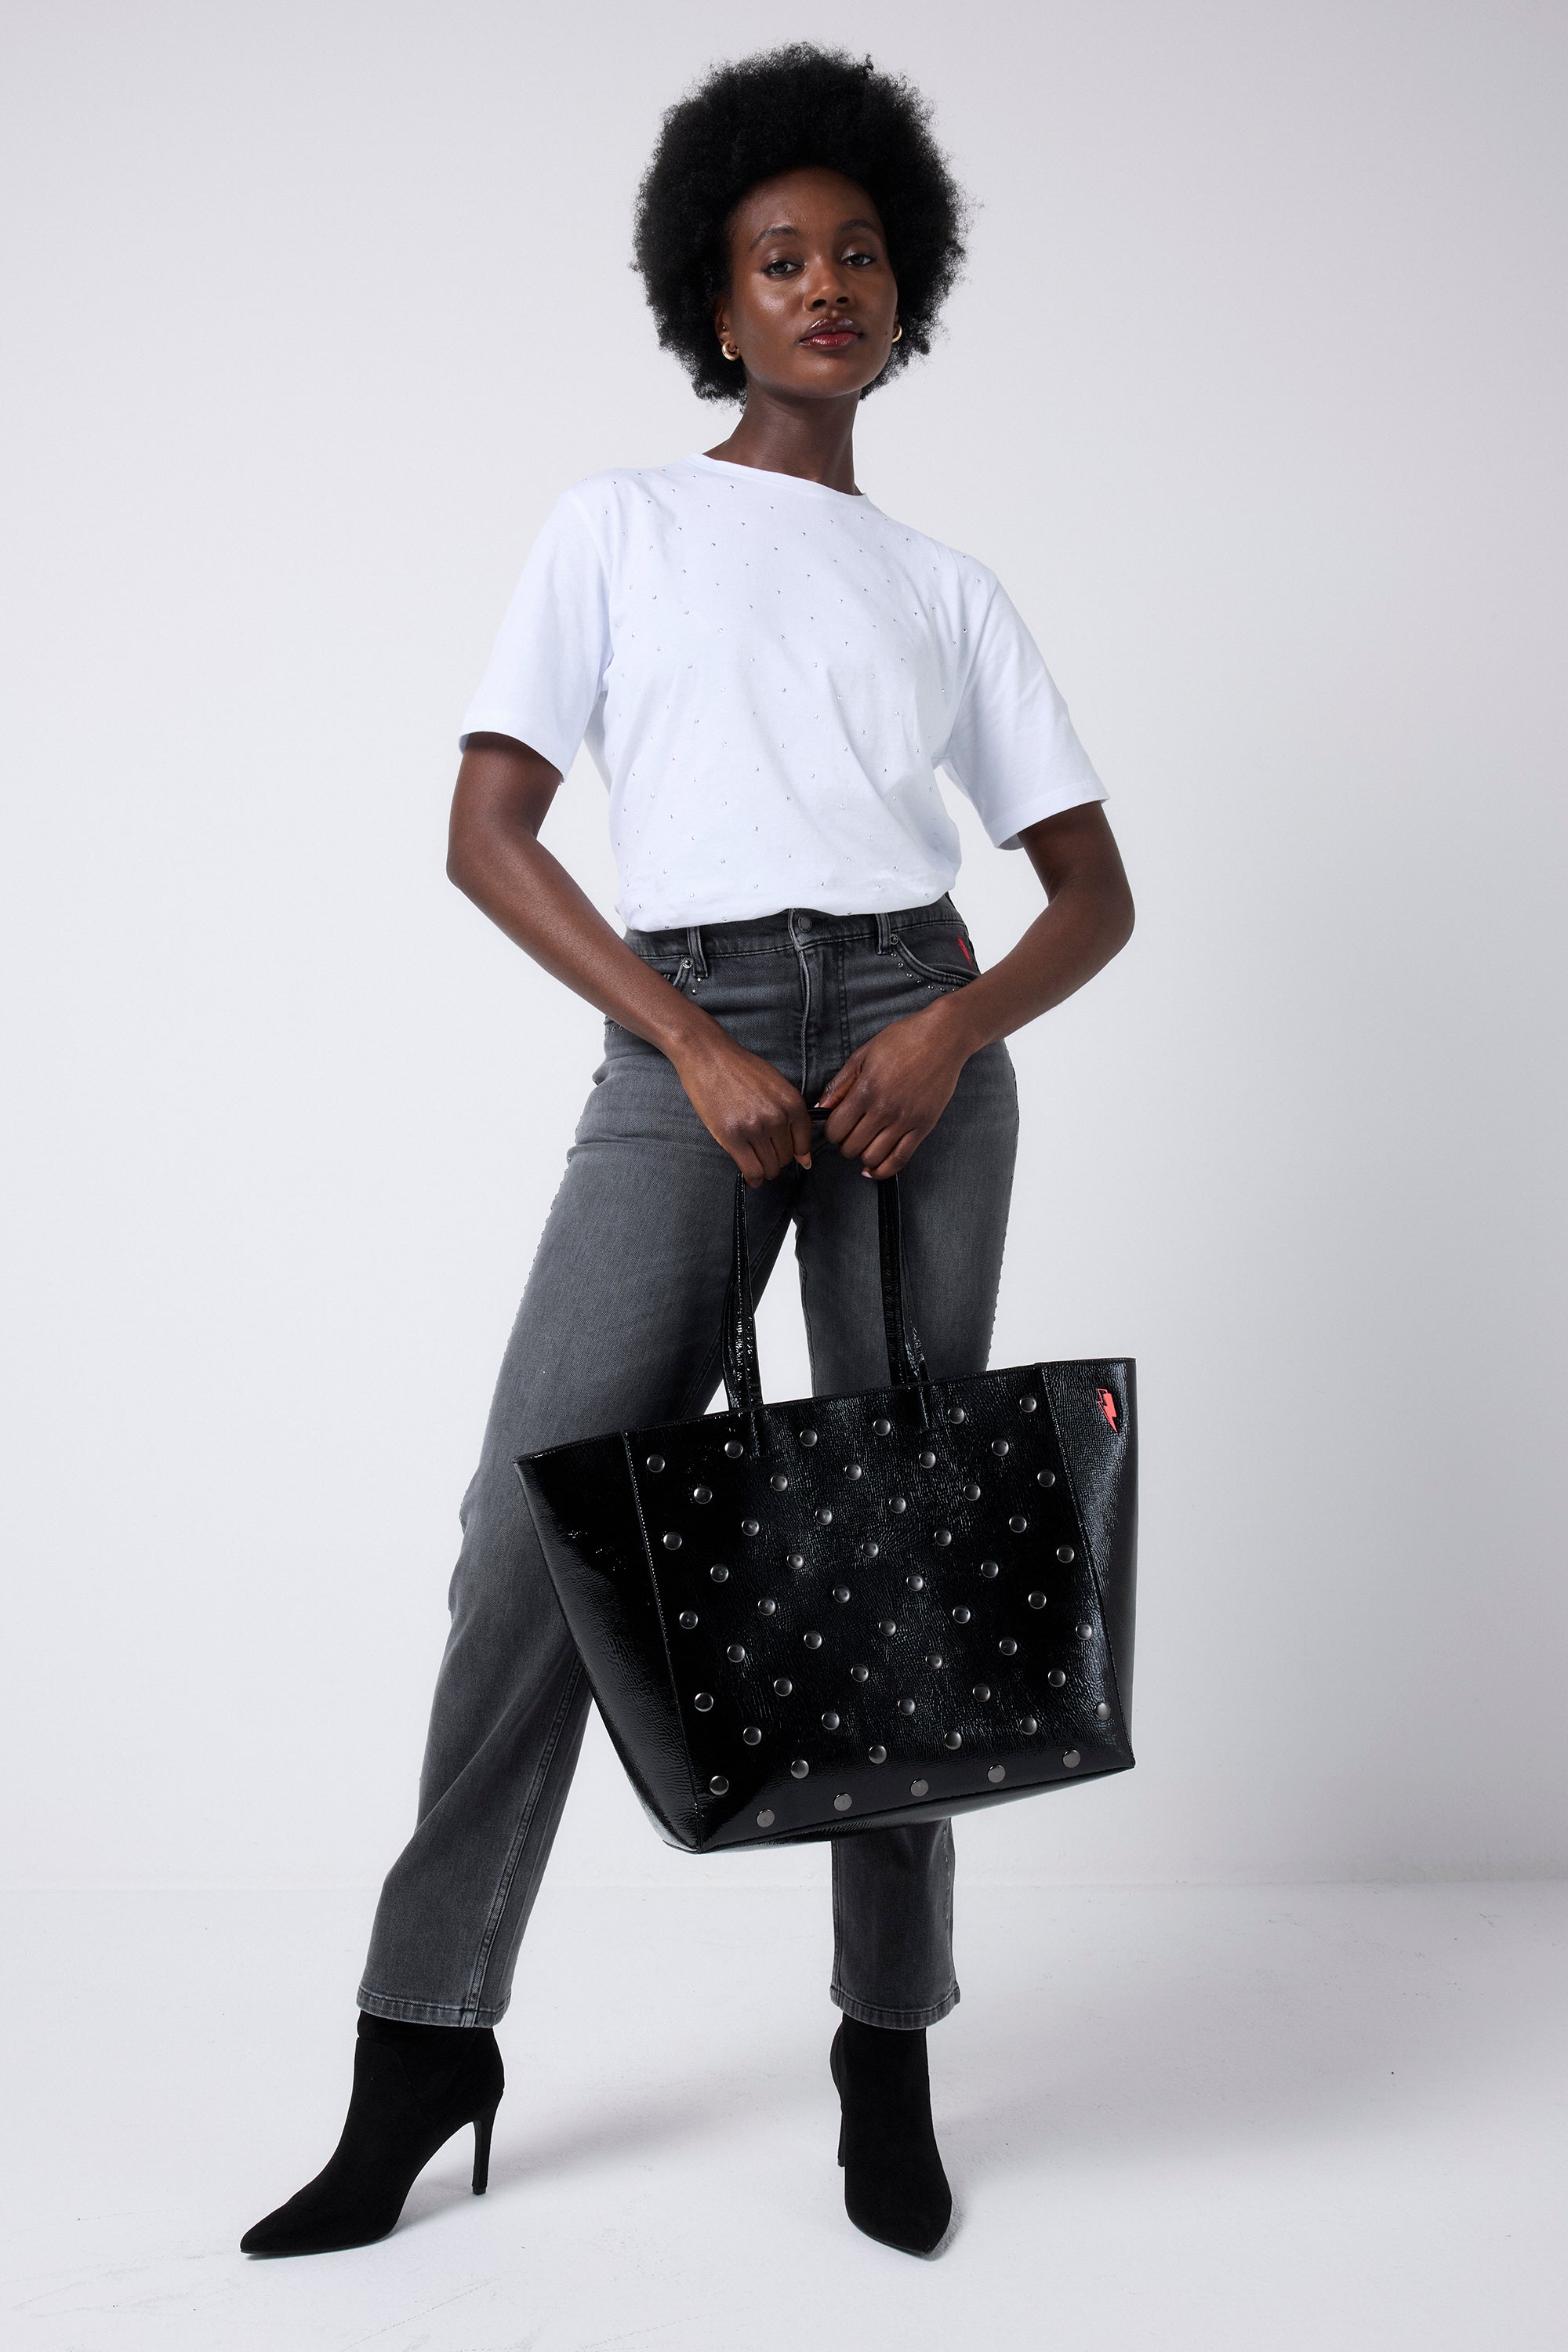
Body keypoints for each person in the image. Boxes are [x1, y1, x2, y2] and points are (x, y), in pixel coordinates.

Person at [241, 39, 1134, 2265]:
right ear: (713, 303)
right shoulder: (618, 527)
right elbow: (488, 833)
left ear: (907, 291)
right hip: (691, 1032)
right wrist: (689, 1042)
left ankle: (886, 2052)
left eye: (859, 254)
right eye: (778, 258)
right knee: (530, 1519)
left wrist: (947, 1028)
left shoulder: (949, 587)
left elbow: (1094, 895)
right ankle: (425, 2038)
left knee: (904, 1538)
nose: (825, 285)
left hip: (918, 1030)